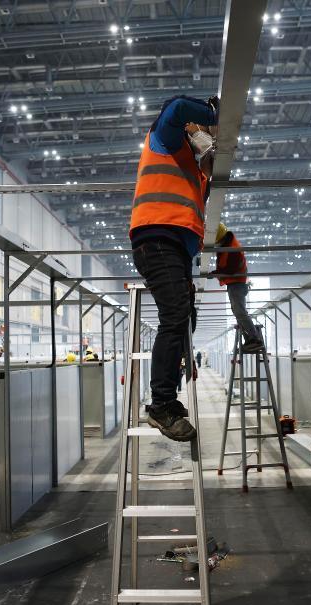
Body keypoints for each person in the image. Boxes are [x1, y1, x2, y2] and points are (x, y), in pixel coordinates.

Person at [130, 94, 219, 442]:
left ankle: (168, 393)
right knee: (175, 317)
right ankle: (161, 404)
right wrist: (212, 114)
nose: (203, 133)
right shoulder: (166, 139)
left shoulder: (195, 171)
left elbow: (209, 175)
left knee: (185, 319)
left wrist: (211, 156)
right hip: (156, 239)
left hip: (177, 250)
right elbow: (178, 106)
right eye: (199, 129)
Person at [212, 223, 265, 352]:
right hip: (235, 284)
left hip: (237, 284)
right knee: (237, 311)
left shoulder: (233, 249)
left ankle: (254, 338)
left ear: (221, 239)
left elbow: (231, 269)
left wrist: (215, 273)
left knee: (240, 311)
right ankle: (249, 340)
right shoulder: (227, 246)